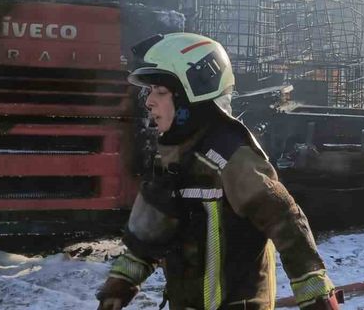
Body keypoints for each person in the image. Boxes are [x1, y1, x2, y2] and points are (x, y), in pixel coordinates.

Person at [96, 32, 340, 310]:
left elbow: (285, 220)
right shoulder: (174, 157)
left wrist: (315, 295)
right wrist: (120, 284)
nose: (149, 101)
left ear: (190, 99)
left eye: (160, 91)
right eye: (149, 91)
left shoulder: (230, 157)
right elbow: (151, 232)